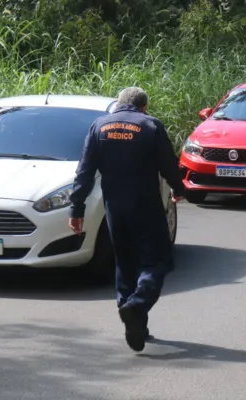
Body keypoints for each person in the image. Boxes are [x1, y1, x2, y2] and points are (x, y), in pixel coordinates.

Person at [68, 87, 186, 353]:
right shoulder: (150, 125)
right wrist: (179, 189)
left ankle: (135, 324)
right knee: (158, 262)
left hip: (114, 209)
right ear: (143, 107)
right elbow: (168, 164)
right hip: (145, 207)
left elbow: (84, 172)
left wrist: (76, 209)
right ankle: (137, 304)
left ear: (118, 105)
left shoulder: (98, 126)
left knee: (125, 264)